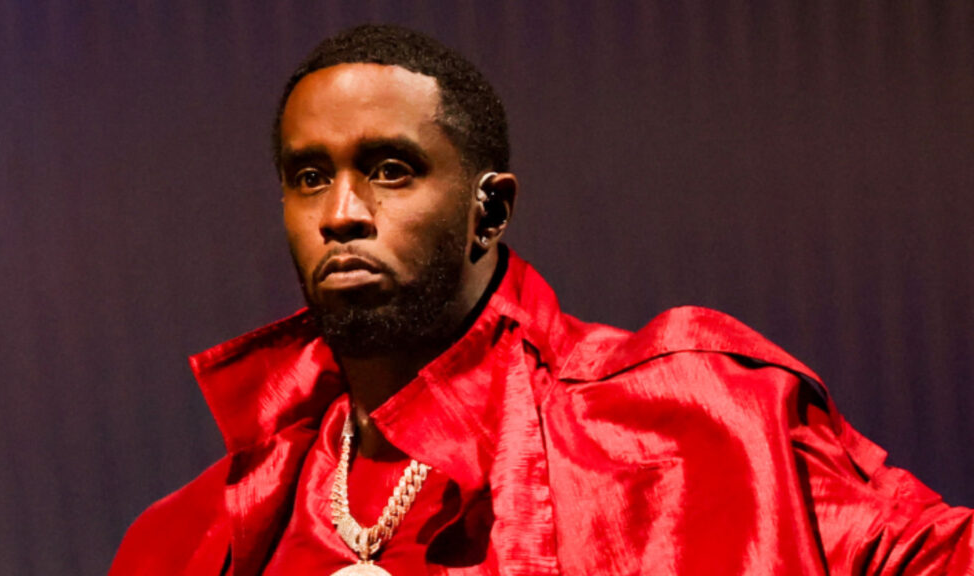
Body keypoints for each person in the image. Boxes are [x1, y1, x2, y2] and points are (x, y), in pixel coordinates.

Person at [110, 24, 973, 575]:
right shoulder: (189, 536)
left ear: (489, 210)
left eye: (389, 170)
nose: (341, 214)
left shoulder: (697, 419)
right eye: (309, 177)